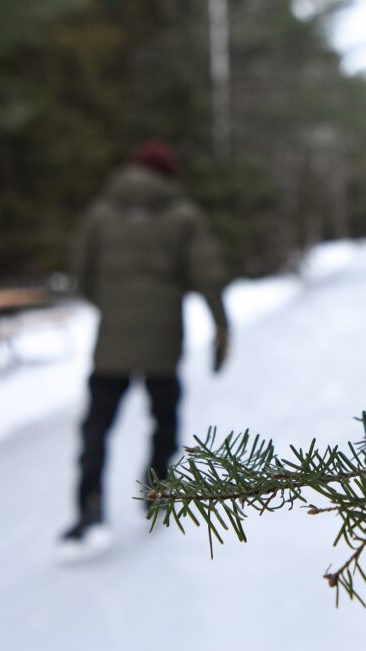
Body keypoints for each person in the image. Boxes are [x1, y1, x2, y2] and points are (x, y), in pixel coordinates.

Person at [60, 140, 230, 550]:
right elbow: (207, 276)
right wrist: (221, 327)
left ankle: (89, 506)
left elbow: (80, 274)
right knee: (164, 419)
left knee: (97, 426)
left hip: (112, 342)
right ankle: (156, 493)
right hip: (163, 340)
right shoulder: (183, 216)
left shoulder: (101, 213)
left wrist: (113, 305)